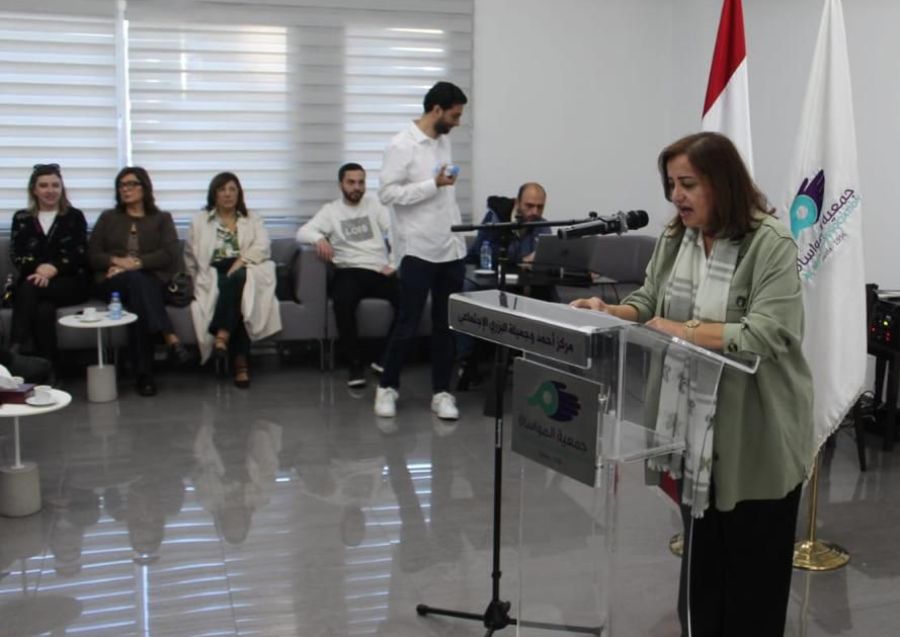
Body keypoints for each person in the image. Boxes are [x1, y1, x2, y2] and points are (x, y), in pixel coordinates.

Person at [570, 132, 813, 637]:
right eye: (671, 184)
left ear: (722, 184)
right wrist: (609, 310)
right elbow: (648, 302)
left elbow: (770, 333)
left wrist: (681, 330)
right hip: (691, 433)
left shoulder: (769, 244)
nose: (676, 196)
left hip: (756, 434)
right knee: (702, 569)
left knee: (753, 578)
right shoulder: (676, 237)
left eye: (688, 184)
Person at [373, 81, 468, 420]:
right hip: (417, 247)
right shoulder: (402, 144)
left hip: (450, 246)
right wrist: (432, 184)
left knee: (446, 325)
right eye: (454, 115)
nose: (457, 122)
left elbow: (443, 193)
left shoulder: (444, 141)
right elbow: (387, 194)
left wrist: (440, 186)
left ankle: (442, 393)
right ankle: (387, 387)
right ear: (436, 110)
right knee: (408, 321)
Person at [88, 167, 192, 397]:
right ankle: (168, 338)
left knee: (139, 295)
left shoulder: (161, 219)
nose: (126, 189)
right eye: (122, 185)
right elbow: (92, 255)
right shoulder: (108, 217)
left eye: (131, 184)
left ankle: (144, 374)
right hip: (111, 283)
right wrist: (117, 261)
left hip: (148, 281)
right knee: (138, 284)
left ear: (145, 187)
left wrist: (135, 264)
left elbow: (169, 255)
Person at [296, 162, 398, 388]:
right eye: (351, 182)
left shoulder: (375, 205)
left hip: (378, 270)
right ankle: (355, 364)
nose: (356, 187)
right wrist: (318, 239)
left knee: (409, 299)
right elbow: (302, 232)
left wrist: (393, 263)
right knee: (343, 301)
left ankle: (386, 359)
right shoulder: (331, 211)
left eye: (361, 182)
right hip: (348, 270)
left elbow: (395, 231)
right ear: (341, 184)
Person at [184, 172, 282, 389]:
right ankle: (240, 364)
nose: (227, 194)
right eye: (222, 190)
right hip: (212, 271)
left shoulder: (252, 218)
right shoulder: (200, 220)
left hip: (246, 267)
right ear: (214, 194)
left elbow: (263, 246)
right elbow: (190, 254)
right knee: (237, 292)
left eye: (232, 189)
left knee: (239, 279)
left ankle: (222, 336)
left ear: (239, 193)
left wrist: (241, 260)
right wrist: (192, 280)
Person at [9, 163, 89, 361]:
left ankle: (14, 350)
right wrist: (39, 268)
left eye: (55, 185)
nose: (50, 190)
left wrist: (53, 268)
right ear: (34, 190)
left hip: (69, 283)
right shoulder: (21, 218)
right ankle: (49, 368)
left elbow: (79, 253)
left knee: (30, 287)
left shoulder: (75, 216)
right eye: (43, 185)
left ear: (62, 189)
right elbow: (17, 254)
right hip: (36, 281)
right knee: (43, 309)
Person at [467, 182, 550, 267]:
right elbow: (484, 251)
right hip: (485, 271)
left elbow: (546, 257)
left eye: (540, 207)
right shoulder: (495, 217)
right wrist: (521, 260)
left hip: (524, 274)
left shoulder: (542, 225)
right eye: (529, 205)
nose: (535, 212)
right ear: (517, 202)